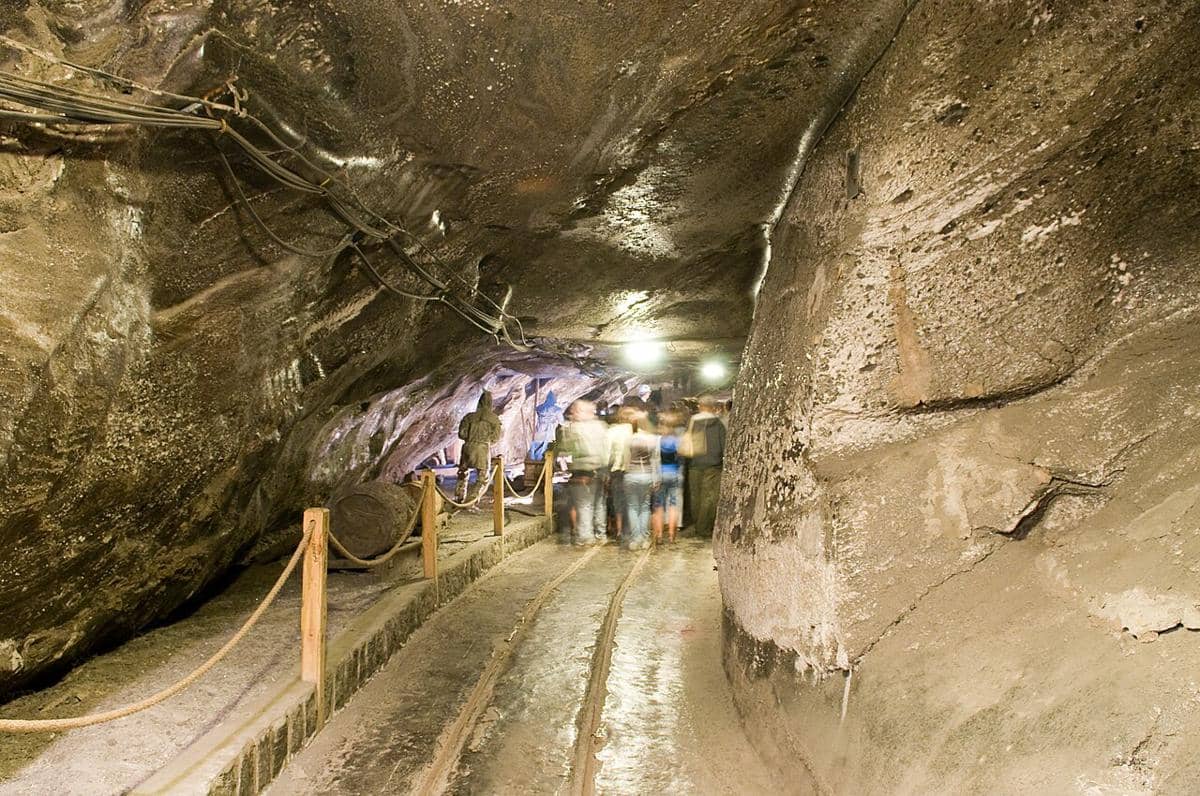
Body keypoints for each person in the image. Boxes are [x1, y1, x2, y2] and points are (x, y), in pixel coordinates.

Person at [555, 399, 610, 545]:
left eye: (573, 410)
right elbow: (607, 450)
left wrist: (565, 468)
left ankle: (586, 537)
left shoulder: (572, 429)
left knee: (584, 505)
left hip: (582, 470)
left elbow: (566, 452)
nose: (571, 413)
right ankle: (601, 534)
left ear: (579, 412)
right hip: (601, 469)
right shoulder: (601, 426)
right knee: (599, 504)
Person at [682, 394, 726, 538]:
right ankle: (704, 527)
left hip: (694, 463)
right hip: (713, 465)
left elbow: (686, 441)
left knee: (695, 496)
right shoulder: (718, 424)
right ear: (713, 407)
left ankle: (697, 524)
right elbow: (723, 444)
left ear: (700, 406)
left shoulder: (692, 422)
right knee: (709, 496)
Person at [455, 390, 502, 503]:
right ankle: (472, 500)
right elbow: (495, 438)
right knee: (483, 477)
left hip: (467, 447)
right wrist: (485, 440)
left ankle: (459, 498)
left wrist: (470, 438)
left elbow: (462, 434)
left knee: (463, 473)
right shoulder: (494, 419)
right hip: (482, 449)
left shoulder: (469, 417)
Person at [623, 411, 660, 550]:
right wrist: (656, 479)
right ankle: (644, 539)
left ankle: (634, 539)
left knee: (632, 507)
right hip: (647, 475)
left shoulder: (630, 439)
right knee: (645, 507)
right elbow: (655, 460)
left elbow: (625, 459)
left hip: (631, 475)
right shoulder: (652, 439)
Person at [652, 410, 685, 545]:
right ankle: (672, 535)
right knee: (673, 505)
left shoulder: (656, 441)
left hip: (660, 475)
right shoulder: (678, 441)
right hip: (675, 474)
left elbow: (653, 459)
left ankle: (659, 535)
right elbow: (681, 458)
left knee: (659, 506)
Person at [606, 406, 636, 540]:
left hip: (617, 470)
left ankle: (619, 530)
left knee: (618, 501)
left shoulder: (612, 431)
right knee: (632, 501)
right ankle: (630, 530)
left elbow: (607, 453)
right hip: (634, 471)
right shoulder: (637, 432)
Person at [529, 390, 563, 461]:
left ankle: (535, 459)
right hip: (549, 429)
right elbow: (561, 421)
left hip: (540, 428)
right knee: (548, 445)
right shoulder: (557, 409)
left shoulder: (540, 407)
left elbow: (538, 413)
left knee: (537, 444)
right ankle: (544, 461)